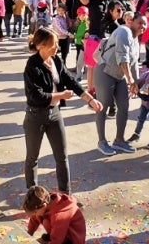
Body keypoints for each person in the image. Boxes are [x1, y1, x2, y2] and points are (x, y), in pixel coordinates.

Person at [22, 28, 101, 193]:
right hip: (36, 116)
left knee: (62, 157)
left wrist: (90, 99)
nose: (56, 48)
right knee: (32, 158)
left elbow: (71, 81)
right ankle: (33, 196)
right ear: (41, 46)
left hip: (55, 115)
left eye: (57, 44)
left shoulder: (56, 61)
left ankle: (65, 194)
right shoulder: (32, 65)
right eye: (53, 44)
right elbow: (36, 96)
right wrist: (61, 95)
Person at [92, 11, 147, 156]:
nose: (143, 26)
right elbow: (122, 58)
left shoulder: (136, 39)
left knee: (124, 106)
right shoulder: (124, 32)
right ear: (132, 22)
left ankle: (119, 140)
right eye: (140, 22)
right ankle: (102, 142)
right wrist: (130, 80)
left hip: (120, 76)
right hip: (105, 71)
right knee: (102, 106)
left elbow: (134, 63)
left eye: (145, 23)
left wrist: (135, 82)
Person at [23, 185, 87, 244]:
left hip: (73, 242)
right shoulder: (46, 201)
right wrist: (29, 233)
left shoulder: (59, 215)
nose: (34, 215)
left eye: (35, 212)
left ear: (43, 206)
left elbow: (57, 237)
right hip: (61, 232)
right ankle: (52, 240)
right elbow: (34, 219)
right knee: (44, 220)